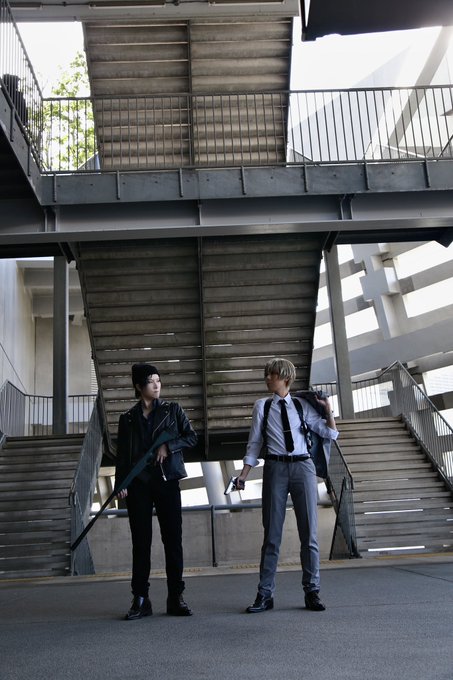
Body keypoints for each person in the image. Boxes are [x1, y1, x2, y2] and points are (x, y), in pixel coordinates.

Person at [236, 357, 338, 613]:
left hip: (303, 467)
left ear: (286, 378)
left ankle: (312, 592)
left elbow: (330, 433)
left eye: (272, 375)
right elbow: (254, 443)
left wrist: (328, 410)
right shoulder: (262, 406)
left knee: (309, 533)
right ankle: (265, 594)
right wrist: (243, 475)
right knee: (271, 534)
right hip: (275, 468)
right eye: (267, 374)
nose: (267, 378)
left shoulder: (302, 406)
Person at [115, 363, 198, 620]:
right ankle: (140, 598)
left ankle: (176, 597)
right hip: (138, 486)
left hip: (166, 481)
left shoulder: (173, 410)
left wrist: (168, 446)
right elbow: (123, 457)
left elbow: (191, 437)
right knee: (141, 543)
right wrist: (121, 484)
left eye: (158, 380)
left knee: (172, 540)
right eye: (151, 381)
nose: (157, 385)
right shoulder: (127, 418)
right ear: (139, 386)